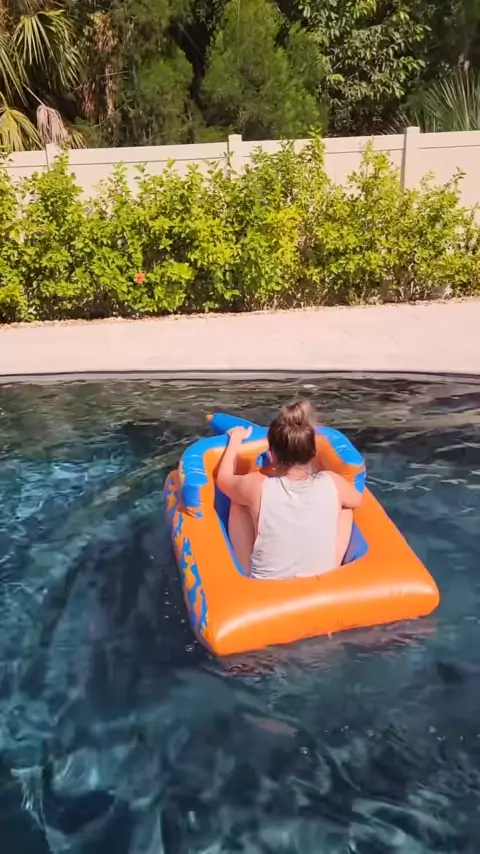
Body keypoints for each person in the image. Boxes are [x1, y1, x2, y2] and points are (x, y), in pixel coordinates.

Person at [216, 401, 362, 579]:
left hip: (267, 585)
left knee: (238, 501)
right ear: (313, 452)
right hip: (321, 579)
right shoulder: (333, 481)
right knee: (346, 507)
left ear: (272, 454)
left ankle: (245, 573)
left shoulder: (256, 486)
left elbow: (223, 479)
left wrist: (235, 439)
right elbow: (357, 499)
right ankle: (330, 566)